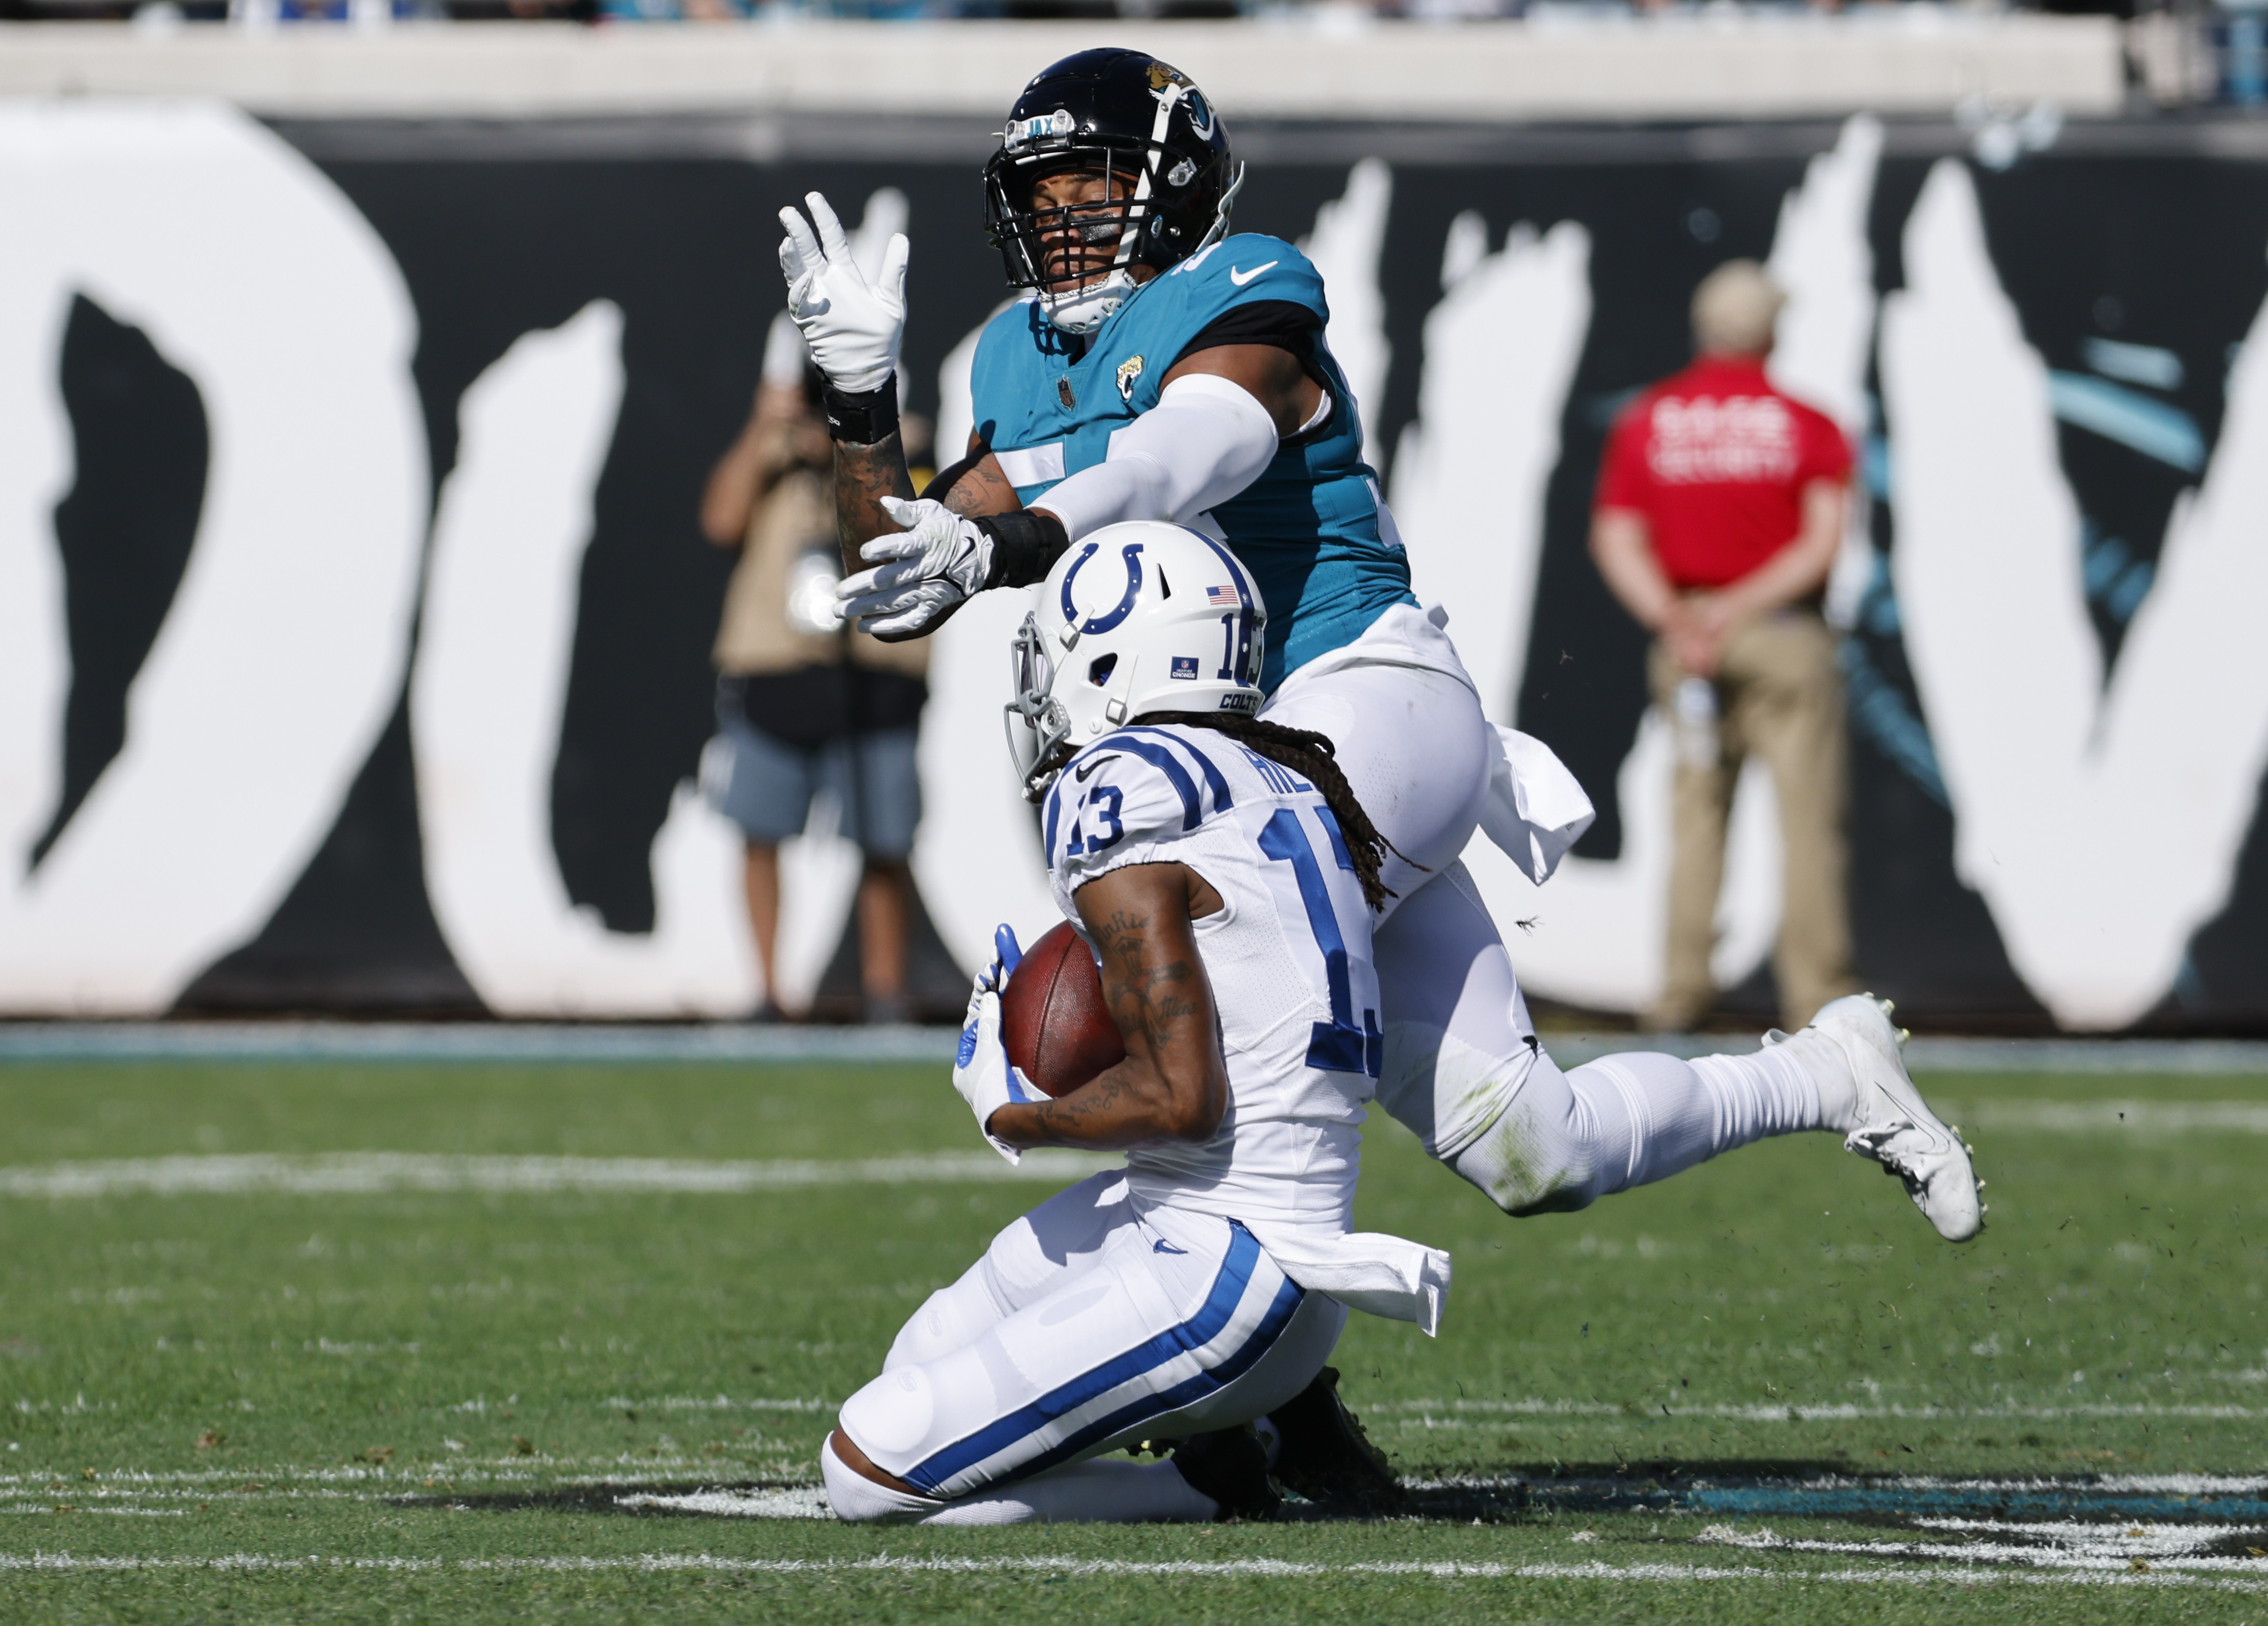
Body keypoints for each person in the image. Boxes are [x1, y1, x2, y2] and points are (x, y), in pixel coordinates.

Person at [778, 48, 1981, 1239]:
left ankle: (1269, 1401)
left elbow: (1185, 452)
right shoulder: (1013, 352)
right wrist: (860, 401)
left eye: (1087, 185)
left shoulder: (1246, 280)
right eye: (1038, 198)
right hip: (1242, 766)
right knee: (1530, 1146)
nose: (1059, 220)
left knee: (1206, 1020)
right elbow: (898, 576)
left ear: (1174, 181)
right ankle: (1827, 1073)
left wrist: (1008, 537)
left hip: (1357, 697)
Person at [821, 524, 1442, 1525]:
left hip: (1231, 1263)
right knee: (918, 1365)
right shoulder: (1279, 771)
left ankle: (1205, 1487)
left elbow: (1179, 1097)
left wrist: (1014, 1110)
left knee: (866, 1472)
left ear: (1118, 658)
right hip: (1219, 1226)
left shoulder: (1122, 786)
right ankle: (1257, 1436)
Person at [1587, 260, 1859, 1035]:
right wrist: (1738, 608)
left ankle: (1681, 990)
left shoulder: (1650, 417)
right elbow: (1820, 543)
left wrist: (1679, 618)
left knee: (1695, 815)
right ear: (1768, 330)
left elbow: (1616, 536)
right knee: (1807, 819)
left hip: (1690, 643)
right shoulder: (1806, 423)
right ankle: (1817, 996)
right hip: (1780, 633)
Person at [697, 318, 930, 1022]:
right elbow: (720, 519)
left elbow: (907, 521)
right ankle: (769, 989)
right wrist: (765, 430)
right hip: (776, 665)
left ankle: (885, 988)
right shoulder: (769, 448)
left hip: (873, 669)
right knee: (760, 830)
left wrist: (851, 442)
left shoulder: (906, 442)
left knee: (883, 839)